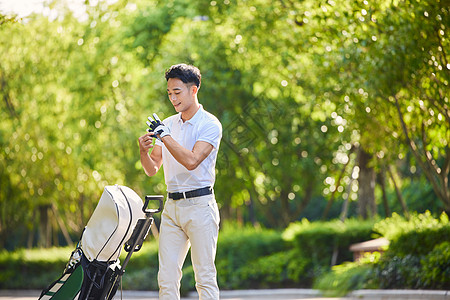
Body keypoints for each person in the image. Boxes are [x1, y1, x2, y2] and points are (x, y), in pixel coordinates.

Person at [138, 63, 222, 300]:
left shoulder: (210, 124)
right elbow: (153, 169)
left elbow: (192, 160)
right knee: (166, 279)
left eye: (177, 92)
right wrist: (144, 152)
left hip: (200, 206)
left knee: (204, 277)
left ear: (193, 90)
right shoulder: (168, 123)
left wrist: (165, 136)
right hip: (173, 208)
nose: (173, 98)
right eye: (169, 94)